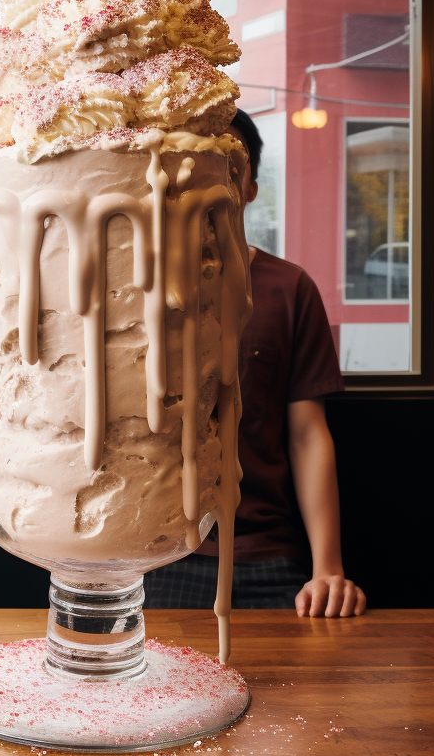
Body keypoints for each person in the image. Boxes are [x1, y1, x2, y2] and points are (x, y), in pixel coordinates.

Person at [145, 109, 367, 618]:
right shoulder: (138, 286)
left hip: (266, 553)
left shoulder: (290, 289)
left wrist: (327, 569)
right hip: (159, 552)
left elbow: (308, 434)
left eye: (228, 165)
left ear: (249, 186)